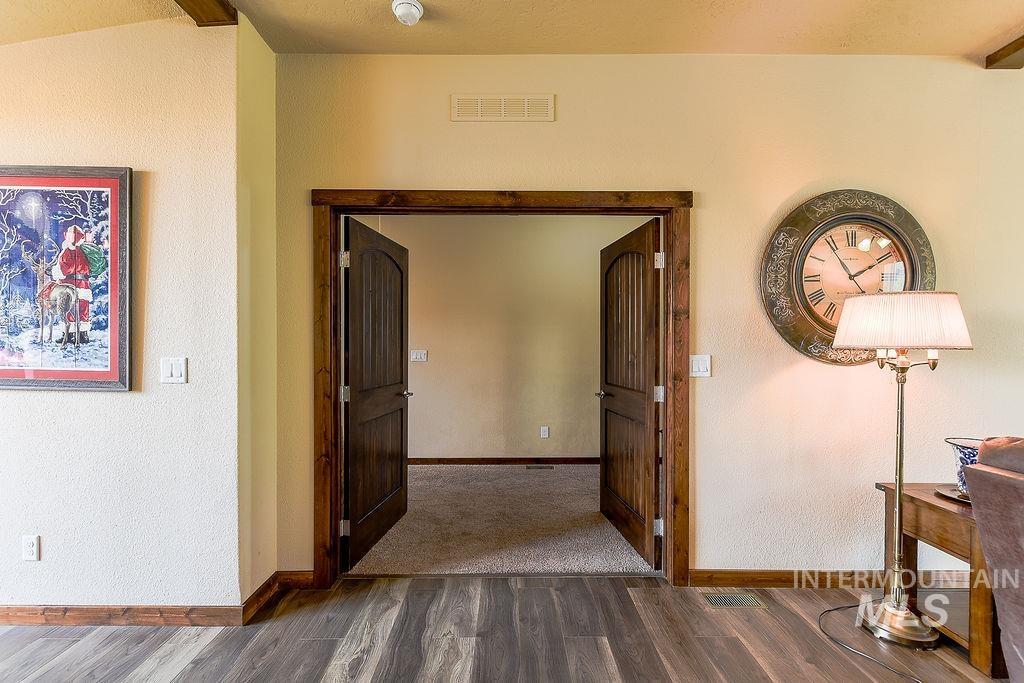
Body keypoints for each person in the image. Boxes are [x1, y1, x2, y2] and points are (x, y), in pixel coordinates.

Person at [50, 225, 93, 344]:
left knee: (67, 308)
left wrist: (56, 272)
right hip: (83, 284)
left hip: (70, 284)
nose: (66, 235)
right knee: (83, 309)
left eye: (69, 233)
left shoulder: (70, 250)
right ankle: (83, 335)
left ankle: (70, 335)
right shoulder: (82, 251)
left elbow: (66, 269)